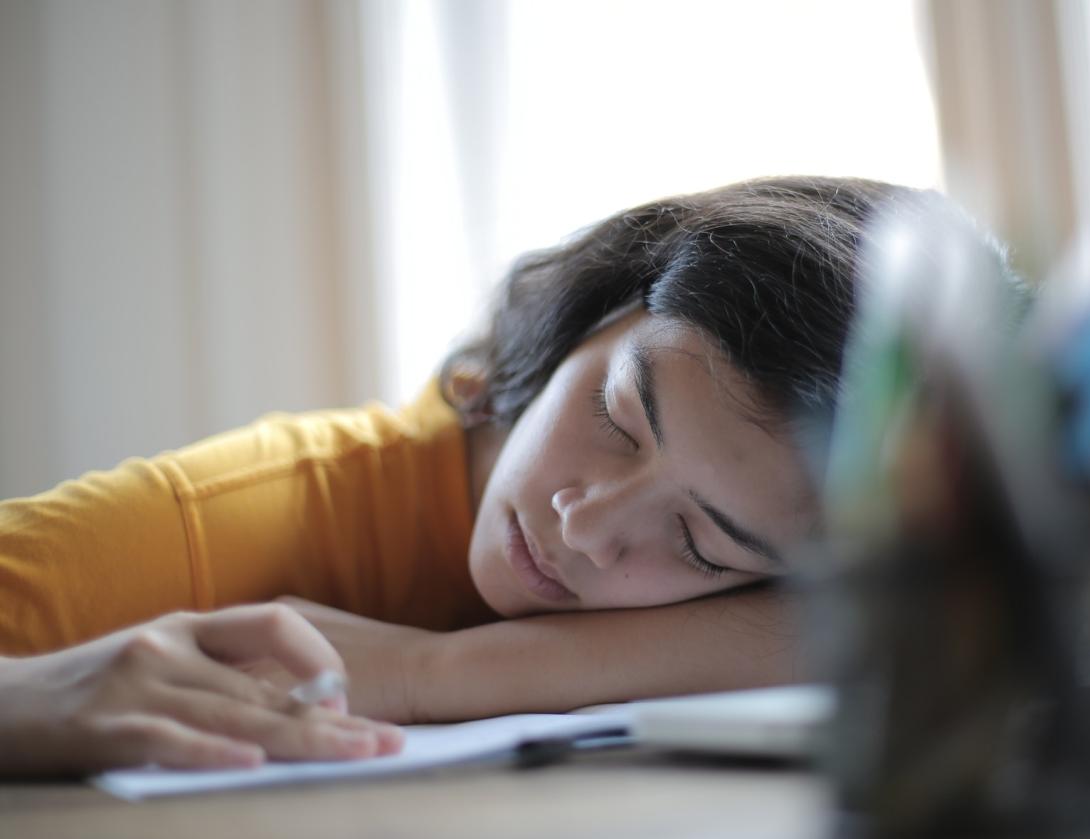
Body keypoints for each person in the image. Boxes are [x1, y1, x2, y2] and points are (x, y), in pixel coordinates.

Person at [0, 176, 1009, 776]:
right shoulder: (224, 521)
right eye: (617, 418)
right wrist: (33, 699)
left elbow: (953, 610)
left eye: (699, 541)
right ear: (594, 315)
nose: (588, 523)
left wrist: (434, 672)